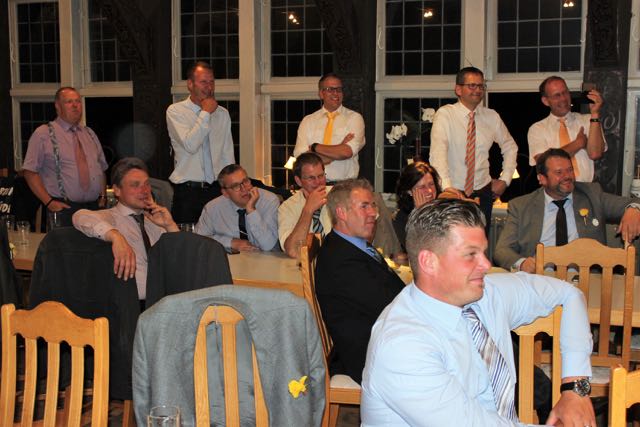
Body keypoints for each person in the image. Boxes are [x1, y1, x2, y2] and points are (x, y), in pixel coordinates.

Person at [361, 198, 596, 426]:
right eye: (471, 254)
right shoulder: (402, 346)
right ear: (429, 262)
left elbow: (568, 294)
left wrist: (575, 389)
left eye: (483, 252)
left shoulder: (485, 295)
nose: (486, 264)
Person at [315, 179, 405, 384]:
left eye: (373, 205)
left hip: (383, 339)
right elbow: (390, 307)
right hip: (370, 357)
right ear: (341, 213)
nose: (374, 213)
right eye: (364, 206)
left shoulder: (355, 245)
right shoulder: (340, 260)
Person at [494, 148, 640, 273]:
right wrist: (522, 263)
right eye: (559, 172)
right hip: (541, 278)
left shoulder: (592, 195)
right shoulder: (521, 206)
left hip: (584, 279)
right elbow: (502, 250)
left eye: (570, 170)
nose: (567, 176)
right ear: (542, 179)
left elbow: (633, 202)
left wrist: (634, 209)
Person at [72, 157, 179, 302]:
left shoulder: (156, 222)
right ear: (117, 190)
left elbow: (182, 260)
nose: (145, 190)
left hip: (165, 302)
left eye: (147, 184)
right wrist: (116, 236)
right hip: (132, 305)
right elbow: (79, 216)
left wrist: (170, 225)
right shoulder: (110, 218)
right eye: (135, 185)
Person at [429, 67, 518, 232]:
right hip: (452, 192)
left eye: (481, 86)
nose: (477, 90)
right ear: (458, 89)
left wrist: (505, 179)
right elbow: (437, 154)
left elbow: (510, 146)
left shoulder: (491, 117)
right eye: (472, 85)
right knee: (451, 242)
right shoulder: (446, 114)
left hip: (483, 193)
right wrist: (447, 189)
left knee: (479, 242)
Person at [23, 87, 108, 227]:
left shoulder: (89, 133)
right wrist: (49, 202)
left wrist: (103, 196)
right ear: (58, 106)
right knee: (65, 242)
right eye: (69, 102)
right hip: (64, 208)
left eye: (78, 101)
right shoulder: (43, 134)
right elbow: (29, 172)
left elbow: (101, 168)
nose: (75, 106)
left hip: (94, 208)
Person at [166, 61, 235, 224]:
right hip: (188, 192)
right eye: (203, 82)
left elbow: (227, 155)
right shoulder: (176, 111)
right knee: (187, 238)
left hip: (217, 190)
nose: (209, 87)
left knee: (219, 237)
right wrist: (205, 113)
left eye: (212, 82)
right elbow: (191, 145)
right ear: (190, 84)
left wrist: (231, 188)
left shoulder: (222, 114)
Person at [528, 76, 605, 183]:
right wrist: (578, 144)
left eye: (565, 92)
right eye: (557, 95)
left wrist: (595, 113)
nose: (563, 98)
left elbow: (595, 154)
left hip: (586, 188)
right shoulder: (537, 129)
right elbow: (543, 163)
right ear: (546, 101)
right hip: (556, 189)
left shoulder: (588, 120)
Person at [293, 73, 365, 183]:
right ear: (321, 94)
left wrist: (315, 147)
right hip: (314, 185)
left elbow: (346, 152)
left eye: (339, 89)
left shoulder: (354, 118)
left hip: (344, 186)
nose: (335, 93)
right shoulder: (308, 121)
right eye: (330, 89)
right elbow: (303, 161)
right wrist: (339, 149)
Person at [195, 164, 279, 252]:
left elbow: (268, 245)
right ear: (225, 193)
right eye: (236, 186)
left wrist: (251, 210)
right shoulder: (213, 208)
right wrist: (230, 242)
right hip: (229, 259)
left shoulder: (269, 201)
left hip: (267, 259)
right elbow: (198, 240)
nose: (244, 189)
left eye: (245, 181)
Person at [278, 153, 332, 258]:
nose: (318, 182)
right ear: (298, 181)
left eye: (321, 176)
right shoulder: (287, 208)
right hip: (304, 265)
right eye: (311, 178)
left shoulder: (339, 196)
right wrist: (308, 210)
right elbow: (293, 251)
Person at [393, 161, 442, 252]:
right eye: (422, 187)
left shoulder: (443, 209)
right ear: (409, 191)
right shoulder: (401, 217)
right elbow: (418, 248)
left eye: (431, 184)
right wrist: (421, 213)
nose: (430, 191)